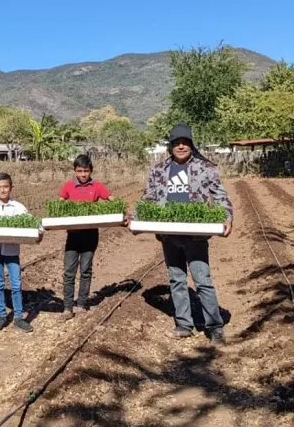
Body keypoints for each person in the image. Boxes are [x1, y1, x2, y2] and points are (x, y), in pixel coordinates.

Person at [139, 124, 233, 345]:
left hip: (196, 235)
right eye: (177, 143)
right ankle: (184, 324)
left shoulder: (205, 168)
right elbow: (148, 198)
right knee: (176, 279)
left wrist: (227, 216)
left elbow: (220, 195)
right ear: (171, 146)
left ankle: (214, 327)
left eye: (185, 142)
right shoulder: (158, 170)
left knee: (202, 280)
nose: (181, 146)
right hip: (169, 234)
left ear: (191, 145)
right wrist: (134, 217)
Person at [0, 172, 42, 333]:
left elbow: (33, 222)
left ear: (11, 187)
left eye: (5, 187)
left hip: (12, 251)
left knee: (16, 284)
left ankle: (19, 318)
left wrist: (39, 232)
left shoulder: (18, 207)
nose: (2, 190)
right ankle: (1, 315)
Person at [57, 154, 116, 321]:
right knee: (69, 272)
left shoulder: (97, 186)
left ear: (91, 171)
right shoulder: (68, 186)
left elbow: (112, 200)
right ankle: (68, 307)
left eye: (86, 171)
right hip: (73, 236)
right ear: (75, 171)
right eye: (80, 171)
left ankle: (81, 304)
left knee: (85, 270)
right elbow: (58, 205)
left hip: (90, 235)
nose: (83, 174)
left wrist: (122, 213)